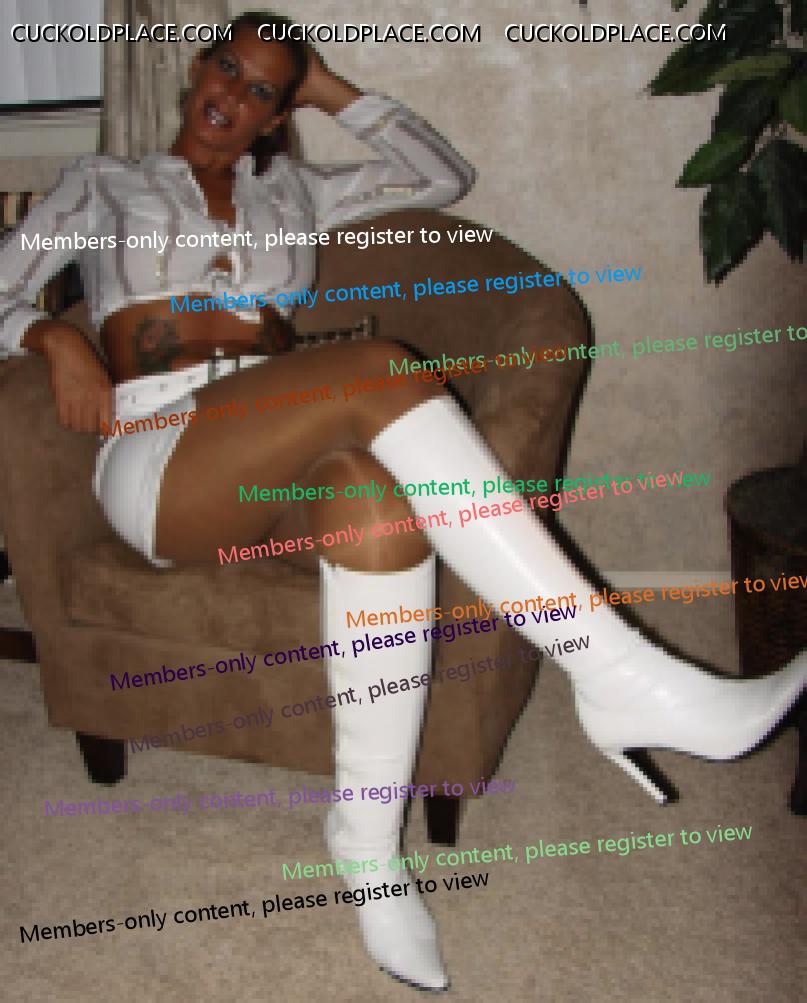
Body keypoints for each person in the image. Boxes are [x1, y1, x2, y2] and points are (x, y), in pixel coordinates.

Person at [1, 11, 804, 993]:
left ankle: (368, 847)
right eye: (226, 66)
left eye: (262, 89)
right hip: (162, 455)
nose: (232, 94)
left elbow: (441, 174)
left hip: (279, 454)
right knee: (378, 367)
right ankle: (616, 669)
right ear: (195, 66)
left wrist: (326, 88)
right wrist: (55, 337)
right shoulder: (102, 184)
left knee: (375, 504)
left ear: (276, 114)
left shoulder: (294, 191)